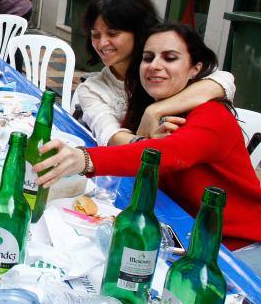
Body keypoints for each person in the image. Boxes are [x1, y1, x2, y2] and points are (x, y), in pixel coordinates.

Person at [36, 24, 261, 272]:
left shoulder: (213, 115)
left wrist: (85, 159)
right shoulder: (156, 109)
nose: (154, 65)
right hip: (183, 234)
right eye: (148, 58)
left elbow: (170, 155)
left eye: (170, 58)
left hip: (236, 250)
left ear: (195, 68)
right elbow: (141, 153)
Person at [76, 0, 234, 146]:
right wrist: (152, 145)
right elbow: (109, 134)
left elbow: (223, 81)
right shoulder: (92, 88)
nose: (102, 43)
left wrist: (154, 111)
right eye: (95, 35)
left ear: (137, 33)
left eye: (113, 34)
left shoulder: (164, 72)